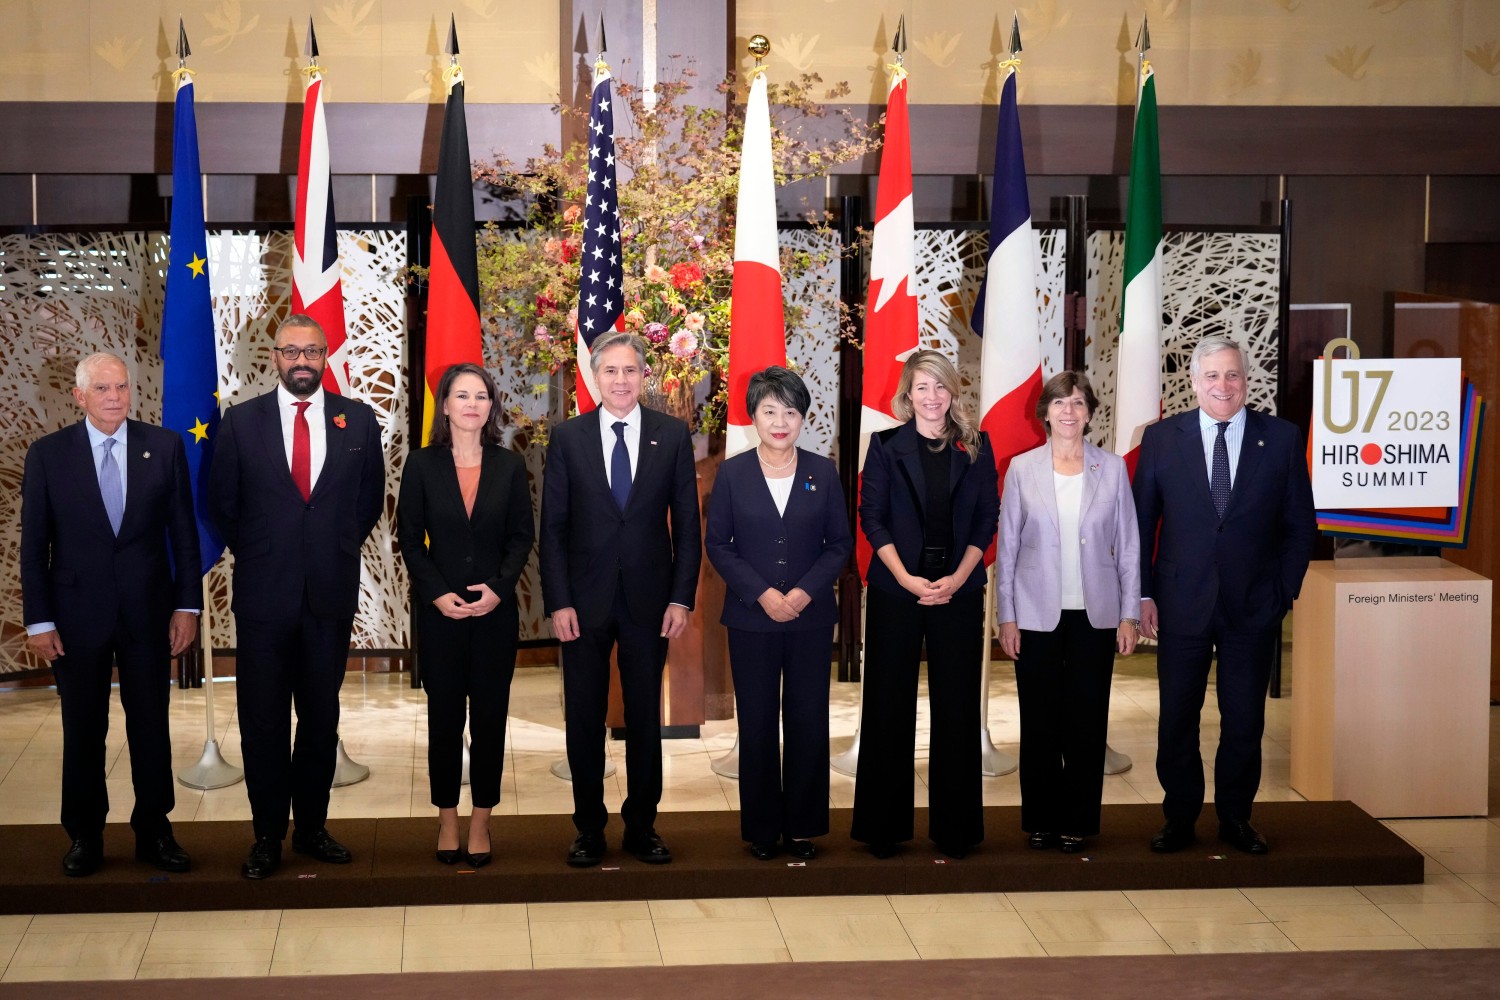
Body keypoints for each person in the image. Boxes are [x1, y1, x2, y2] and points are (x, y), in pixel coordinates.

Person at [208, 314, 386, 879]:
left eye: (312, 351)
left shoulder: (357, 421)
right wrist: (268, 552)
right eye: (292, 352)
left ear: (326, 354)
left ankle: (311, 828)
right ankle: (266, 836)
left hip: (328, 596)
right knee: (262, 721)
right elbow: (224, 505)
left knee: (319, 718)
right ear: (275, 356)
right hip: (264, 598)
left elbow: (366, 503)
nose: (302, 361)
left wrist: (326, 547)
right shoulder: (239, 424)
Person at [1133, 335, 1317, 856]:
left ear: (1246, 380)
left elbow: (1300, 527)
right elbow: (1142, 527)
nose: (1223, 385)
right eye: (1211, 376)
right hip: (1179, 604)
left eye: (1232, 375)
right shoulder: (1161, 439)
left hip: (1252, 608)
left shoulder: (1280, 439)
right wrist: (1143, 594)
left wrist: (1282, 592)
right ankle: (1180, 817)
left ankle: (1236, 817)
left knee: (1244, 721)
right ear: (1193, 382)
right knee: (1176, 719)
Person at [20, 352, 201, 877]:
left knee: (150, 725)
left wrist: (187, 605)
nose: (115, 397)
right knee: (83, 728)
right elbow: (35, 548)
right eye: (102, 388)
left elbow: (184, 537)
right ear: (80, 396)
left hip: (149, 613)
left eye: (121, 386)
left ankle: (155, 829)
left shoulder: (163, 447)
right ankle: (85, 836)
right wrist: (39, 620)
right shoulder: (49, 455)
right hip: (75, 618)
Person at [539, 331, 702, 867]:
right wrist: (559, 601)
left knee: (642, 720)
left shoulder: (672, 435)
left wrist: (681, 600)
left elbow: (689, 529)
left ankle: (642, 825)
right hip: (581, 606)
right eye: (610, 371)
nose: (621, 381)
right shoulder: (568, 438)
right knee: (583, 719)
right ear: (594, 376)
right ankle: (588, 828)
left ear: (644, 376)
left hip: (649, 604)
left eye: (630, 370)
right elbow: (554, 530)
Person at [852, 350, 999, 859]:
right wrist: (909, 579)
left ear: (952, 392)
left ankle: (955, 831)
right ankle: (883, 829)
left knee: (957, 710)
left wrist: (957, 577)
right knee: (888, 707)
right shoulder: (885, 446)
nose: (932, 397)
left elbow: (986, 521)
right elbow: (872, 520)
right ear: (906, 394)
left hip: (958, 592)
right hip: (898, 590)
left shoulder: (977, 447)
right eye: (922, 387)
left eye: (939, 387)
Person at [705, 367, 851, 861]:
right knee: (760, 722)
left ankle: (804, 827)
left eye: (791, 411)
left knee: (808, 721)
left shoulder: (822, 472)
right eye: (770, 410)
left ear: (803, 417)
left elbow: (839, 545)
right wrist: (763, 593)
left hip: (810, 619)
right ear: (755, 417)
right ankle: (763, 830)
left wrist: (806, 592)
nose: (781, 421)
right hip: (752, 619)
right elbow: (719, 545)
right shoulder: (732, 472)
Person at [995, 371, 1140, 855]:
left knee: (1085, 722)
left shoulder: (1113, 469)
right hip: (1035, 616)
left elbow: (1129, 546)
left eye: (1078, 403)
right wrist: (1006, 617)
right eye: (1059, 404)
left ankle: (1078, 821)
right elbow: (1009, 549)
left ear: (1090, 412)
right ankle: (1040, 820)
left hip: (1095, 616)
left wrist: (1129, 613)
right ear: (1046, 413)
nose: (1069, 412)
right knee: (1038, 722)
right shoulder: (1022, 469)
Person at [398, 363, 534, 868]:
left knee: (491, 722)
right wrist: (436, 594)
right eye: (462, 395)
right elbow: (409, 540)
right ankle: (447, 818)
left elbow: (522, 536)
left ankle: (482, 819)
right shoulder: (422, 464)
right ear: (446, 406)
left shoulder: (509, 465)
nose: (473, 404)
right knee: (445, 721)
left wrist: (500, 589)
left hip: (495, 615)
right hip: (442, 616)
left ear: (490, 407)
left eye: (482, 396)